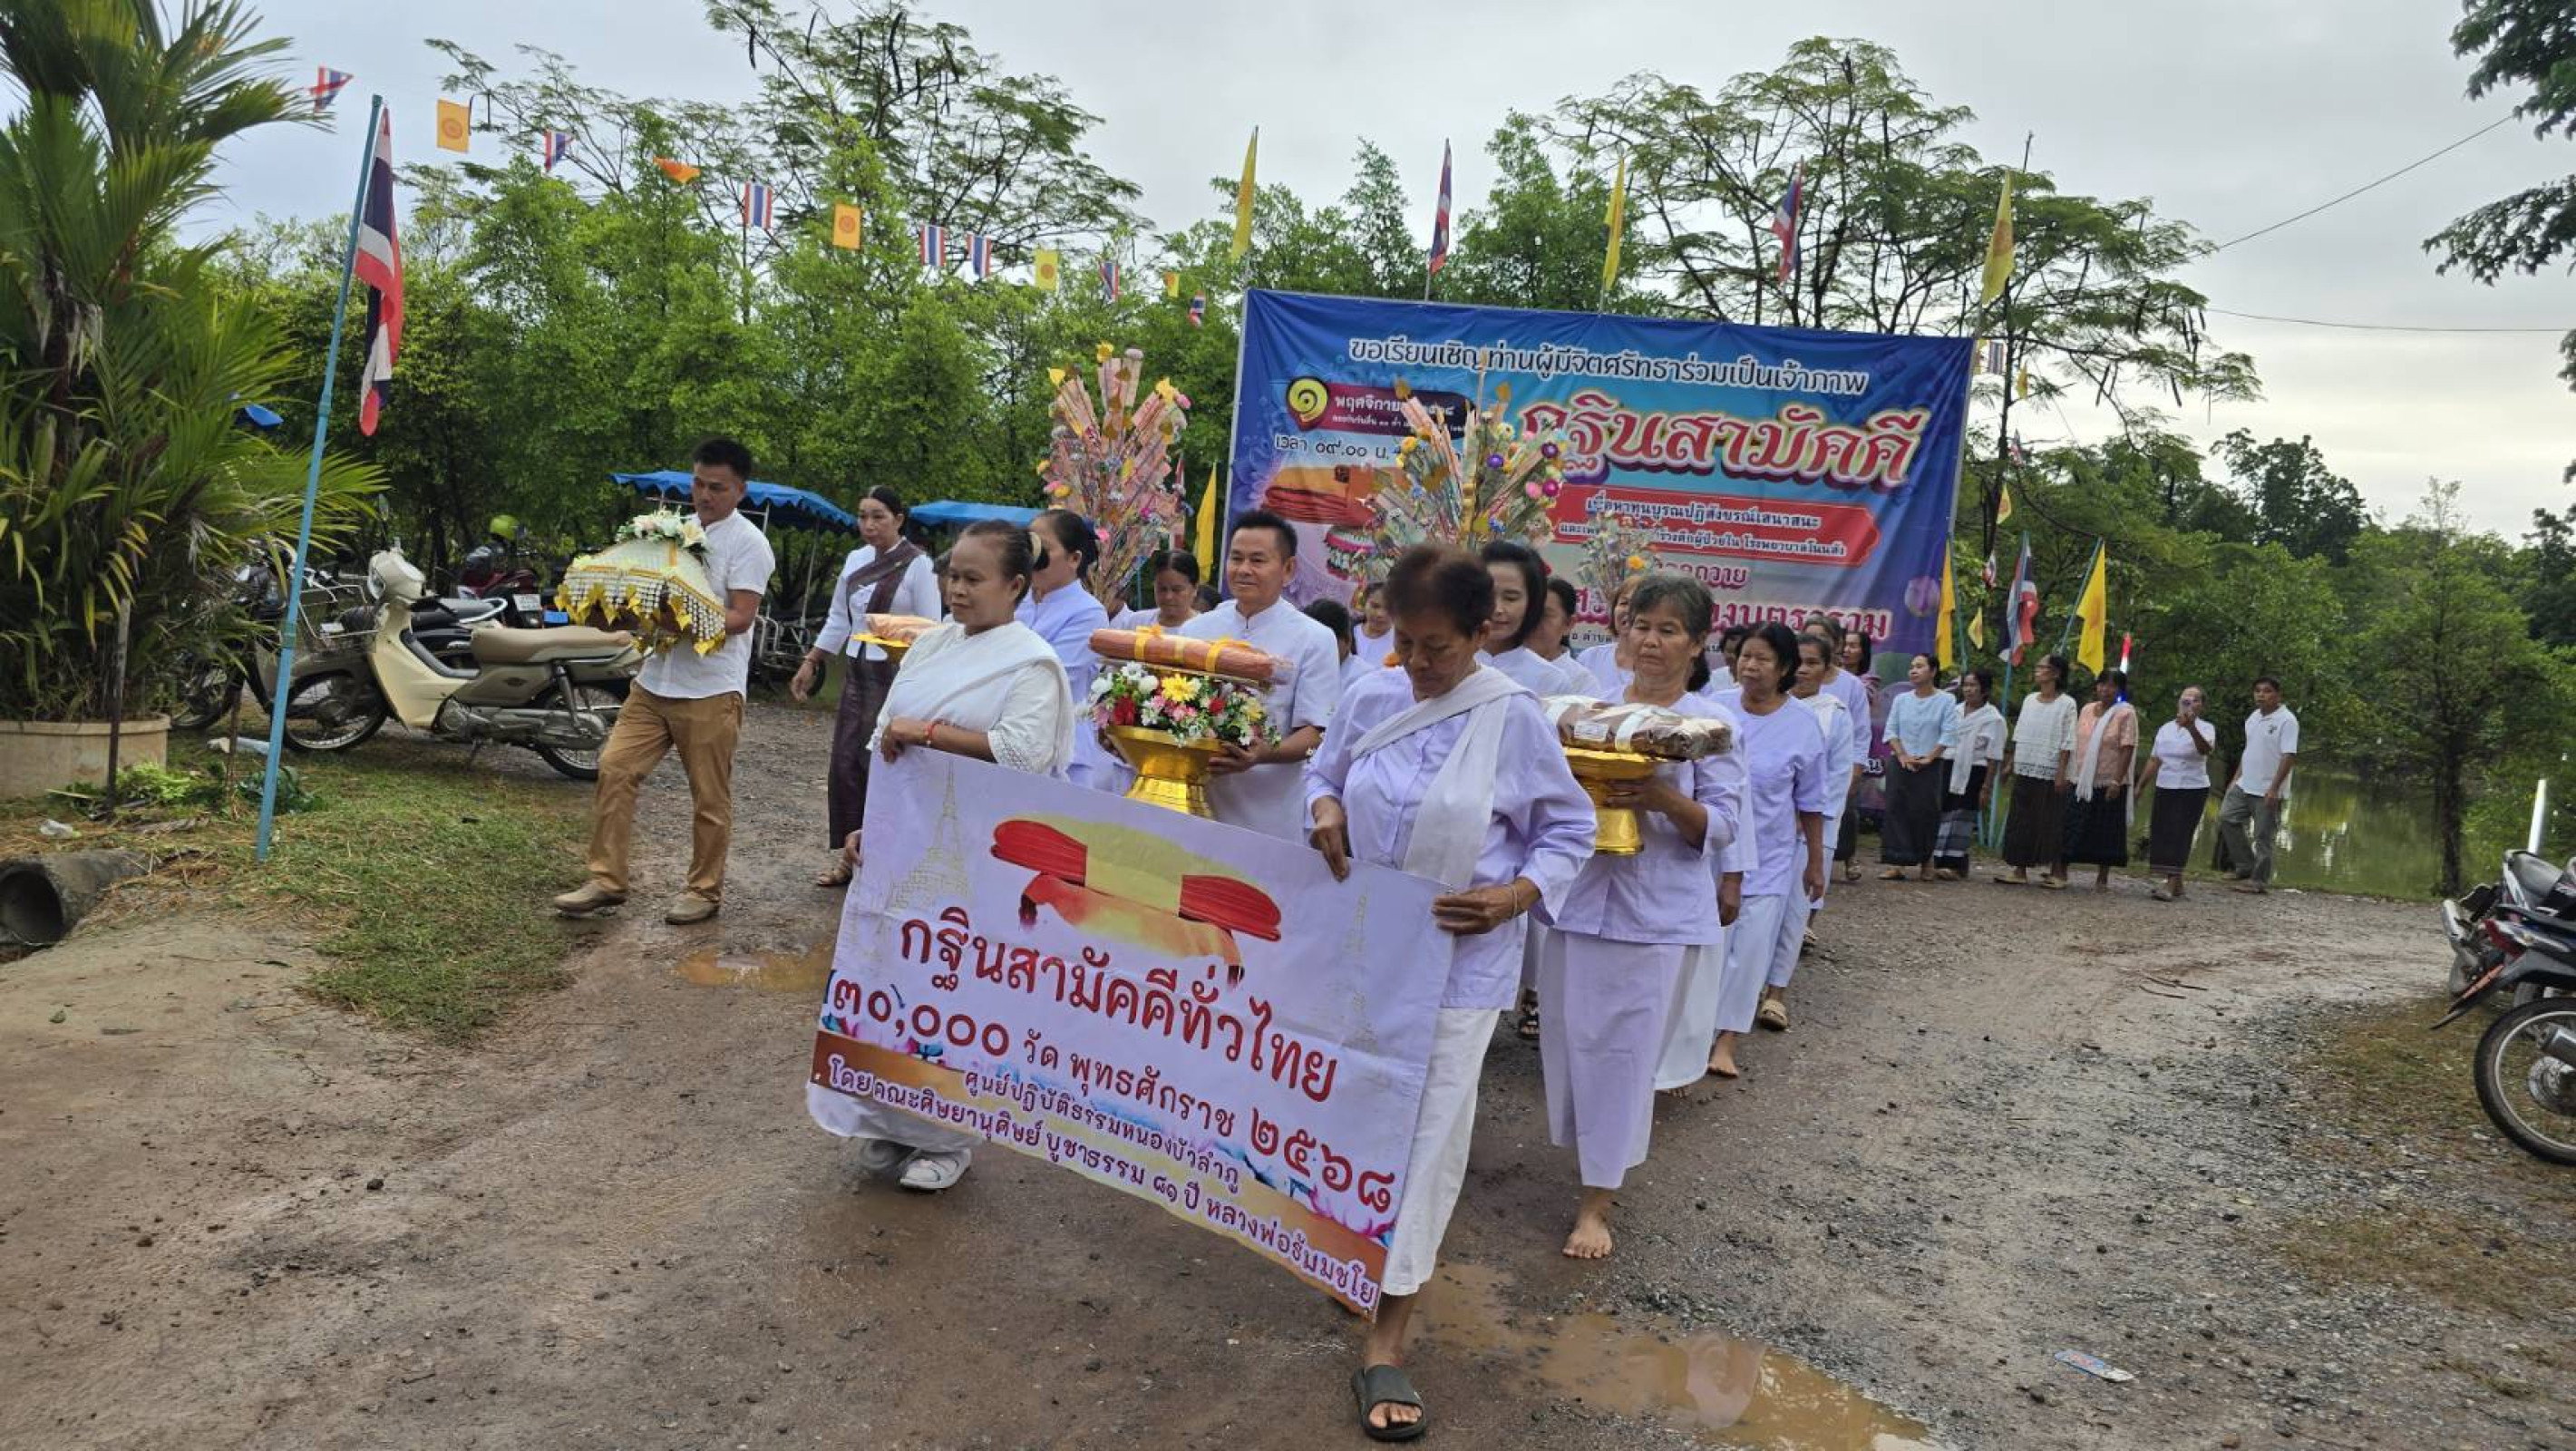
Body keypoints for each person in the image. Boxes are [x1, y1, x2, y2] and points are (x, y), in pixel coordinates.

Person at [1304, 545, 1594, 1441]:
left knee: (1426, 1133)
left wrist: (1515, 894)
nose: (1420, 664)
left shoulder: (1512, 718)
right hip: (1363, 949)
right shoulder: (1370, 692)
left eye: (1438, 647)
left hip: (1460, 963)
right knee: (1352, 1105)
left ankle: (1391, 1334)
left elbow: (1570, 828)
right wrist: (1323, 813)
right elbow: (1324, 774)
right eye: (1404, 642)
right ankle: (1356, 1248)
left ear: (1483, 632)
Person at [808, 520, 1075, 1193]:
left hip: (982, 854)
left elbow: (1023, 751)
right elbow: (883, 744)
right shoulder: (930, 650)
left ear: (1015, 586)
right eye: (950, 575)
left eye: (972, 578)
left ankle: (946, 1138)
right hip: (906, 841)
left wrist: (927, 732)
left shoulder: (1032, 662)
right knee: (887, 978)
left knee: (954, 990)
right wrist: (869, 824)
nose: (956, 589)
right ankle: (885, 1123)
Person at [1539, 574, 1742, 1259]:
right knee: (1571, 1047)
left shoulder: (1711, 728)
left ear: (1696, 643)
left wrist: (1657, 795)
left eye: (1668, 631)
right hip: (1578, 903)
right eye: (1641, 627)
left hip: (1654, 915)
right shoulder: (1588, 714)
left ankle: (1597, 1203)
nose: (1650, 642)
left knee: (1624, 1058)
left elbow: (1722, 826)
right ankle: (1589, 1161)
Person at [554, 438, 776, 925]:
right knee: (615, 768)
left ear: (740, 490)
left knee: (709, 797)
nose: (704, 494)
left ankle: (703, 890)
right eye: (698, 483)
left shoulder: (749, 543)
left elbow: (741, 617)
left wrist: (682, 623)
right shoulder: (674, 532)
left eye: (716, 487)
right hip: (654, 682)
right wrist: (617, 615)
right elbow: (649, 596)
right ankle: (606, 879)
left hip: (711, 689)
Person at [793, 486, 935, 888]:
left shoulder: (917, 565)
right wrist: (812, 661)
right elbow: (840, 617)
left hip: (896, 678)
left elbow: (931, 627)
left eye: (879, 517)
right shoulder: (856, 560)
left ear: (899, 519)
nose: (869, 525)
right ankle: (849, 857)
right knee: (846, 765)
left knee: (885, 767)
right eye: (863, 516)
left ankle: (887, 860)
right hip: (857, 674)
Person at [1706, 623, 1827, 1080]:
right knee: (1709, 948)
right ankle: (1692, 1036)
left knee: (1750, 950)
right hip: (1711, 851)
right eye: (1745, 656)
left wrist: (1815, 862)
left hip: (1771, 857)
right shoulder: (1713, 710)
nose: (1750, 666)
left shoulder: (1802, 725)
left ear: (1784, 669)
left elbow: (1812, 802)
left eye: (1762, 659)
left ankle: (1726, 1041)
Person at [1184, 511, 1341, 838]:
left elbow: (1316, 732)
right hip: (1194, 800)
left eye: (1257, 560)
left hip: (1268, 813)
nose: (1243, 570)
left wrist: (1262, 754)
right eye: (1236, 558)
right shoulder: (1196, 628)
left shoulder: (1314, 638)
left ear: (1288, 569)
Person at [1773, 633, 1856, 1027]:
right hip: (1766, 827)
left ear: (1827, 670)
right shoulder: (1769, 707)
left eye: (1812, 663)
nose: (1803, 670)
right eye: (1798, 661)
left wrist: (1809, 824)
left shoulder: (1834, 713)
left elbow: (1836, 780)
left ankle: (1777, 993)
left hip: (1809, 831)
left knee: (1794, 910)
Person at [1017, 509, 1113, 787]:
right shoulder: (1015, 599)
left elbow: (1050, 677)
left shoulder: (1089, 613)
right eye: (1028, 546)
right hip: (1007, 737)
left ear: (1074, 559)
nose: (1033, 557)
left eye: (1043, 549)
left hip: (1061, 752)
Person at [1803, 619, 1877, 881]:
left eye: (1822, 637)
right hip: (1802, 766)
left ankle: (1837, 861)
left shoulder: (1850, 685)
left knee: (1839, 817)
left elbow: (1860, 731)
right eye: (1809, 635)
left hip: (1837, 767)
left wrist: (1856, 769)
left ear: (1835, 643)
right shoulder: (1793, 676)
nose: (1815, 641)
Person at [1998, 653, 2078, 888]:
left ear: (2055, 673)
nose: (2037, 670)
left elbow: (2067, 740)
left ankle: (2056, 871)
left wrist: (2061, 772)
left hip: (2051, 768)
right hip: (2026, 764)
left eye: (2042, 667)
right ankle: (2019, 869)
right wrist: (2010, 764)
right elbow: (2020, 733)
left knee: (2051, 820)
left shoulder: (2067, 703)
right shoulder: (2030, 700)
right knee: (2022, 818)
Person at [1879, 653, 1959, 881]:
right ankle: (1897, 862)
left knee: (1926, 812)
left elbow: (1948, 733)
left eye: (1920, 666)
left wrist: (1930, 758)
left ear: (1933, 671)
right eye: (1912, 667)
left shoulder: (1946, 700)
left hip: (1930, 764)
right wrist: (1902, 754)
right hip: (1900, 763)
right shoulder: (1901, 699)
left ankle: (1926, 861)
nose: (1913, 670)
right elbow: (1891, 729)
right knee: (1896, 809)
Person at [2220, 677, 2300, 894]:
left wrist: (2274, 788)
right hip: (2245, 783)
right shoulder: (2253, 717)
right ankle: (2245, 866)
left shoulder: (2287, 720)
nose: (2261, 695)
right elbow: (2250, 750)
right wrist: (2235, 778)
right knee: (2227, 817)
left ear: (2278, 695)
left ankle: (2259, 881)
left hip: (2267, 788)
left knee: (2263, 837)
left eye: (2267, 691)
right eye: (2257, 691)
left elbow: (2289, 756)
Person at [2063, 667, 2139, 891]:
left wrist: (2117, 781)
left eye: (2112, 685)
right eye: (2102, 684)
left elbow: (2127, 747)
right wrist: (2069, 772)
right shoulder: (2086, 710)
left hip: (2109, 779)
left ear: (2120, 690)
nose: (2105, 689)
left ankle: (2103, 876)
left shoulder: (2125, 713)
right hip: (2081, 777)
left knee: (2107, 829)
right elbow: (2076, 741)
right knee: (2071, 823)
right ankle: (2062, 869)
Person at [2140, 685, 2215, 901]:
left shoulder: (2207, 728)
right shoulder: (2165, 729)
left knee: (2180, 834)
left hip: (2192, 787)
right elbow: (2155, 759)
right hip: (2166, 785)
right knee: (2163, 833)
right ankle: (2177, 883)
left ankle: (2171, 883)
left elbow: (2205, 750)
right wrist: (2140, 786)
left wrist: (2191, 728)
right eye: (2185, 699)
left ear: (2202, 705)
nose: (2188, 703)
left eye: (2194, 700)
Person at [1934, 668, 2007, 880]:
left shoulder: (1993, 719)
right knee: (1944, 812)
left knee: (1962, 815)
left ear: (1984, 690)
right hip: (1948, 765)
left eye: (1974, 685)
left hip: (1973, 771)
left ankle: (1955, 864)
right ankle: (1936, 859)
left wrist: (1986, 786)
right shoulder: (1953, 711)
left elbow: (1994, 756)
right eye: (1966, 685)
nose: (1969, 690)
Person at [1476, 540, 1569, 697]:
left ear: (1531, 603)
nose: (1497, 609)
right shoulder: (1447, 666)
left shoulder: (1551, 680)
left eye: (1511, 598)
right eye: (1487, 596)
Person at [1528, 577, 1600, 695]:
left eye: (1544, 615)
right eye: (1529, 613)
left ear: (1568, 624)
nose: (1533, 621)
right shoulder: (1501, 666)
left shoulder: (1582, 682)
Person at [1574, 572, 1645, 691]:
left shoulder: (1656, 666)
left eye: (1639, 605)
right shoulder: (1590, 658)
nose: (1629, 610)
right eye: (1624, 603)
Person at [1109, 549, 1201, 630]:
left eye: (1177, 590)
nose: (1168, 597)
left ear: (1195, 588)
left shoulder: (1205, 629)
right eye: (1162, 589)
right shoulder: (1135, 623)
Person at [1353, 579, 1393, 661]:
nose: (1380, 614)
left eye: (1389, 609)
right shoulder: (1349, 631)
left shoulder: (1399, 647)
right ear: (1364, 603)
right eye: (1375, 606)